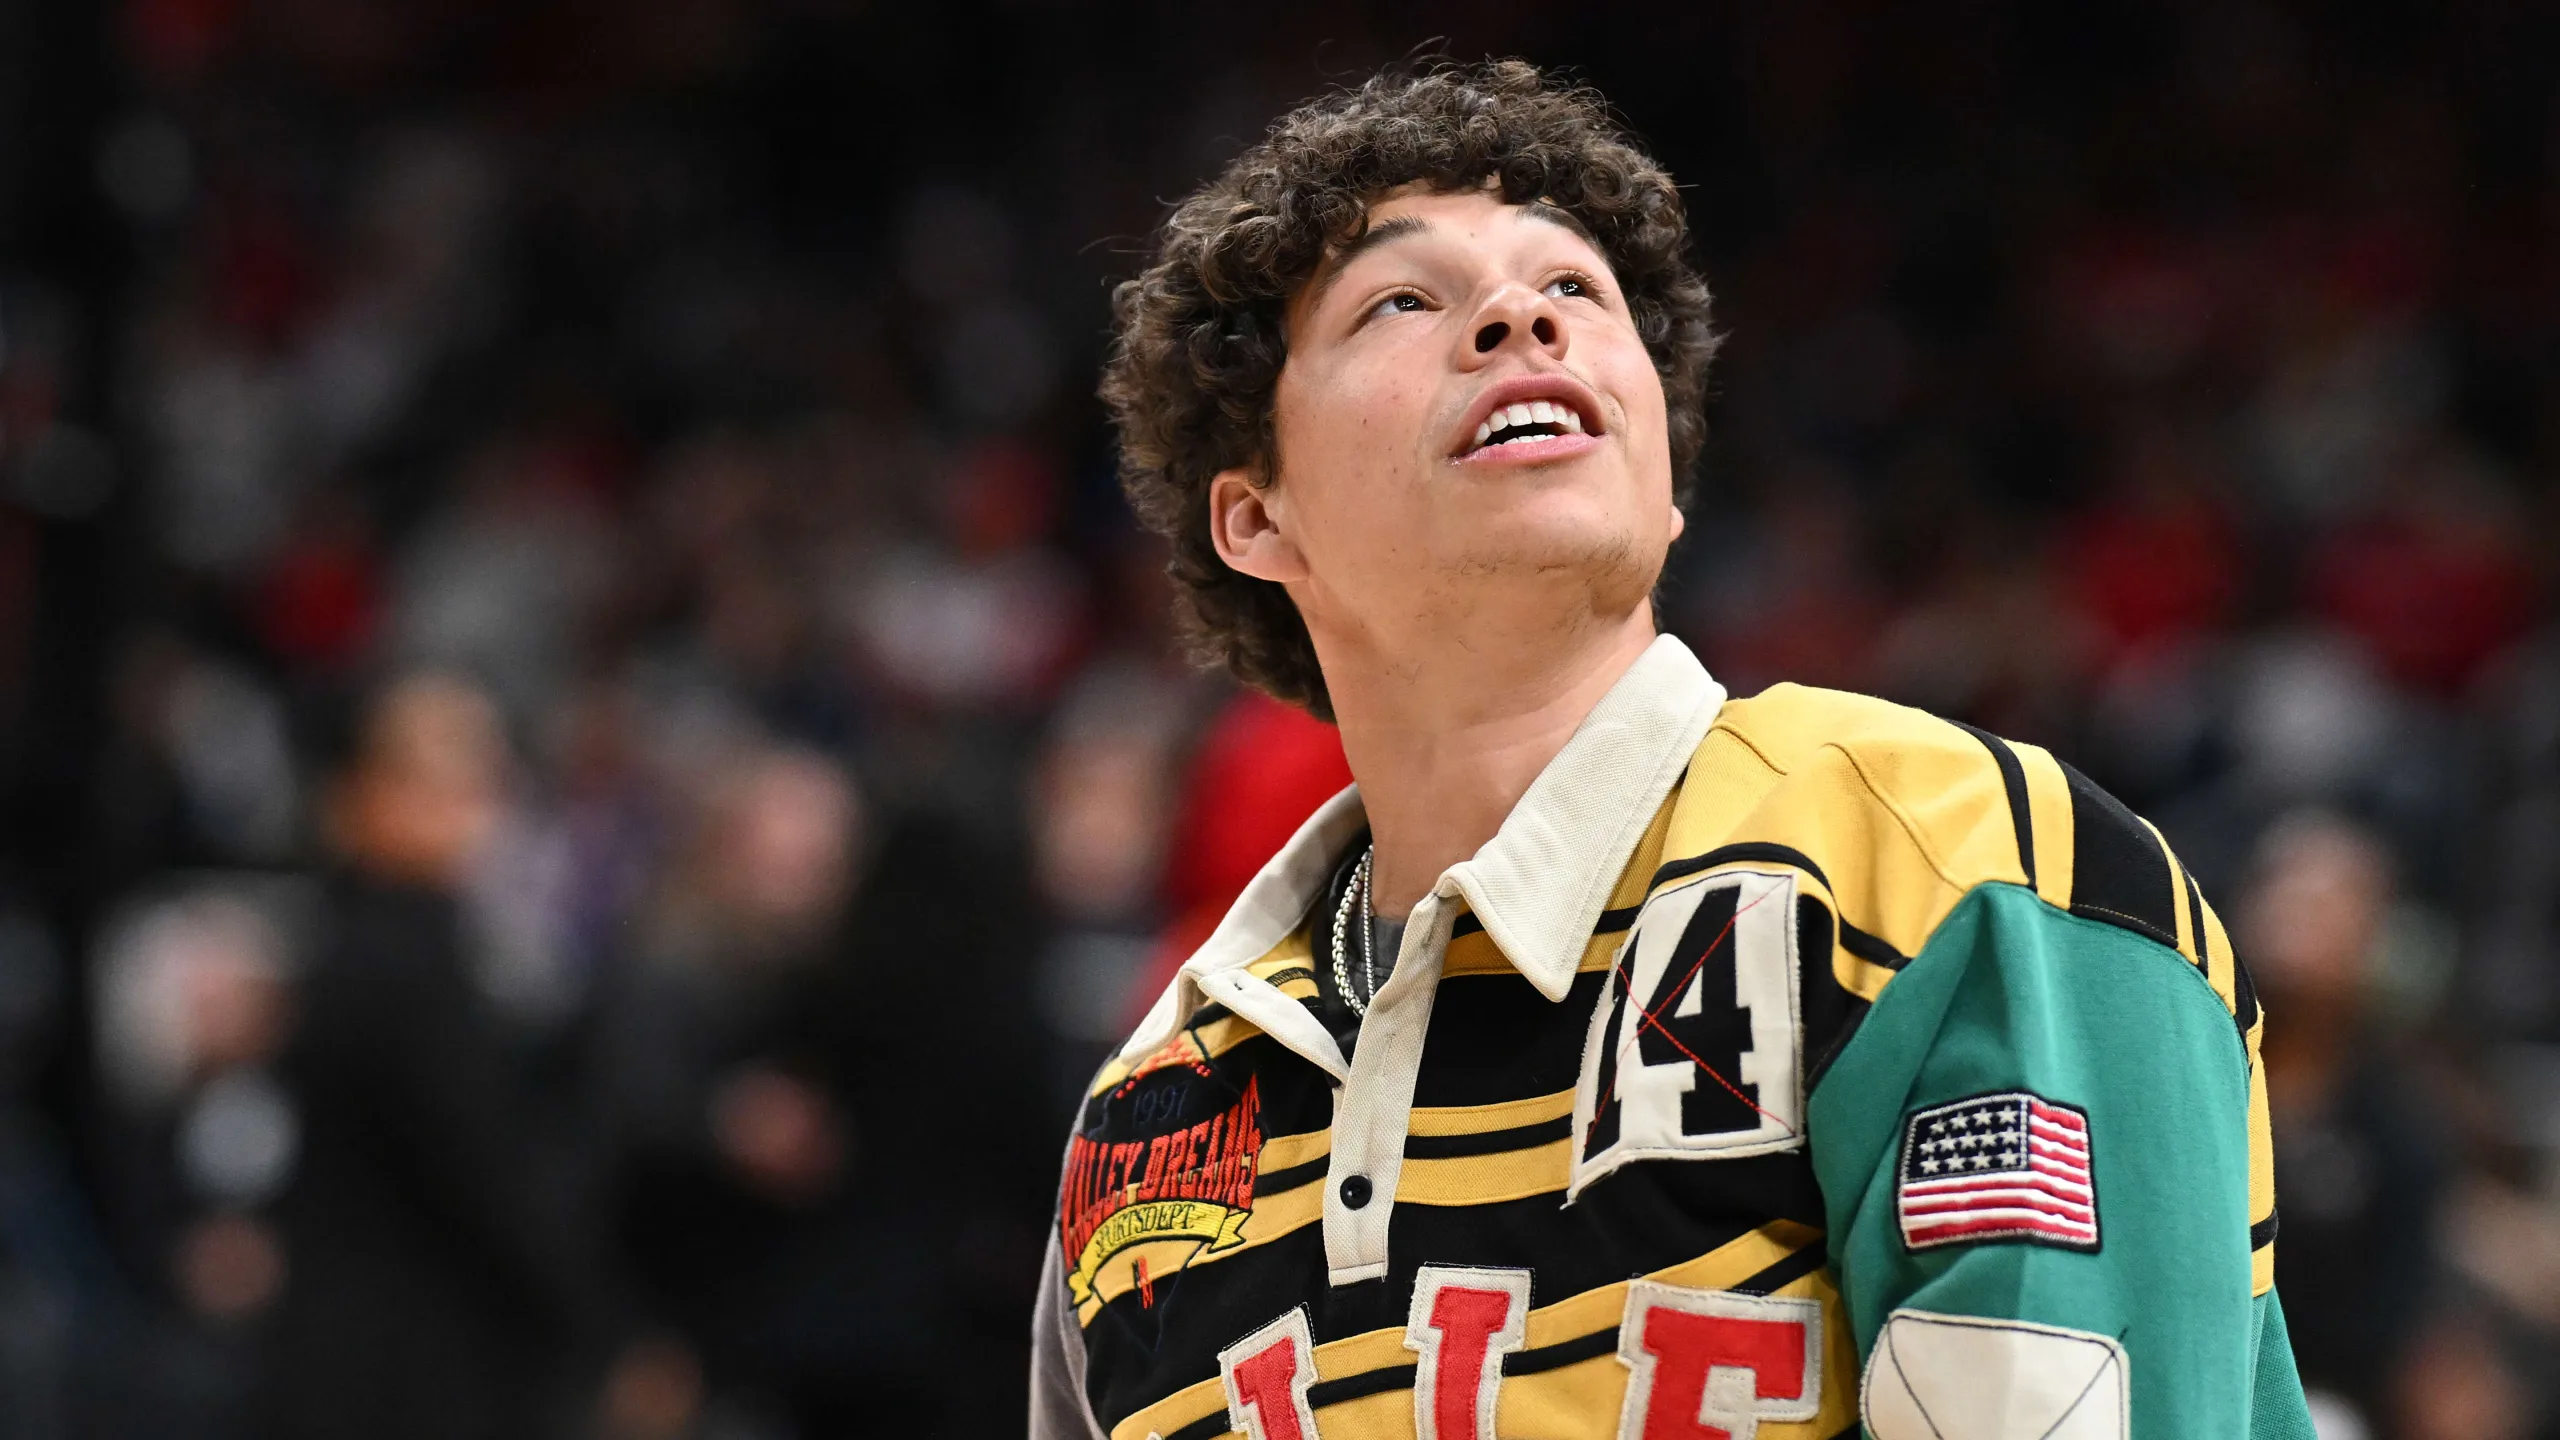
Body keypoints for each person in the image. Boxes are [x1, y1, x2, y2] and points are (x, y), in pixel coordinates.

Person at [1030, 61, 2312, 1440]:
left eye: (1573, 289)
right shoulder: (1147, 1115)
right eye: (1401, 300)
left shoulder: (1958, 867)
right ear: (1255, 518)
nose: (1523, 316)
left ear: (1660, 463)